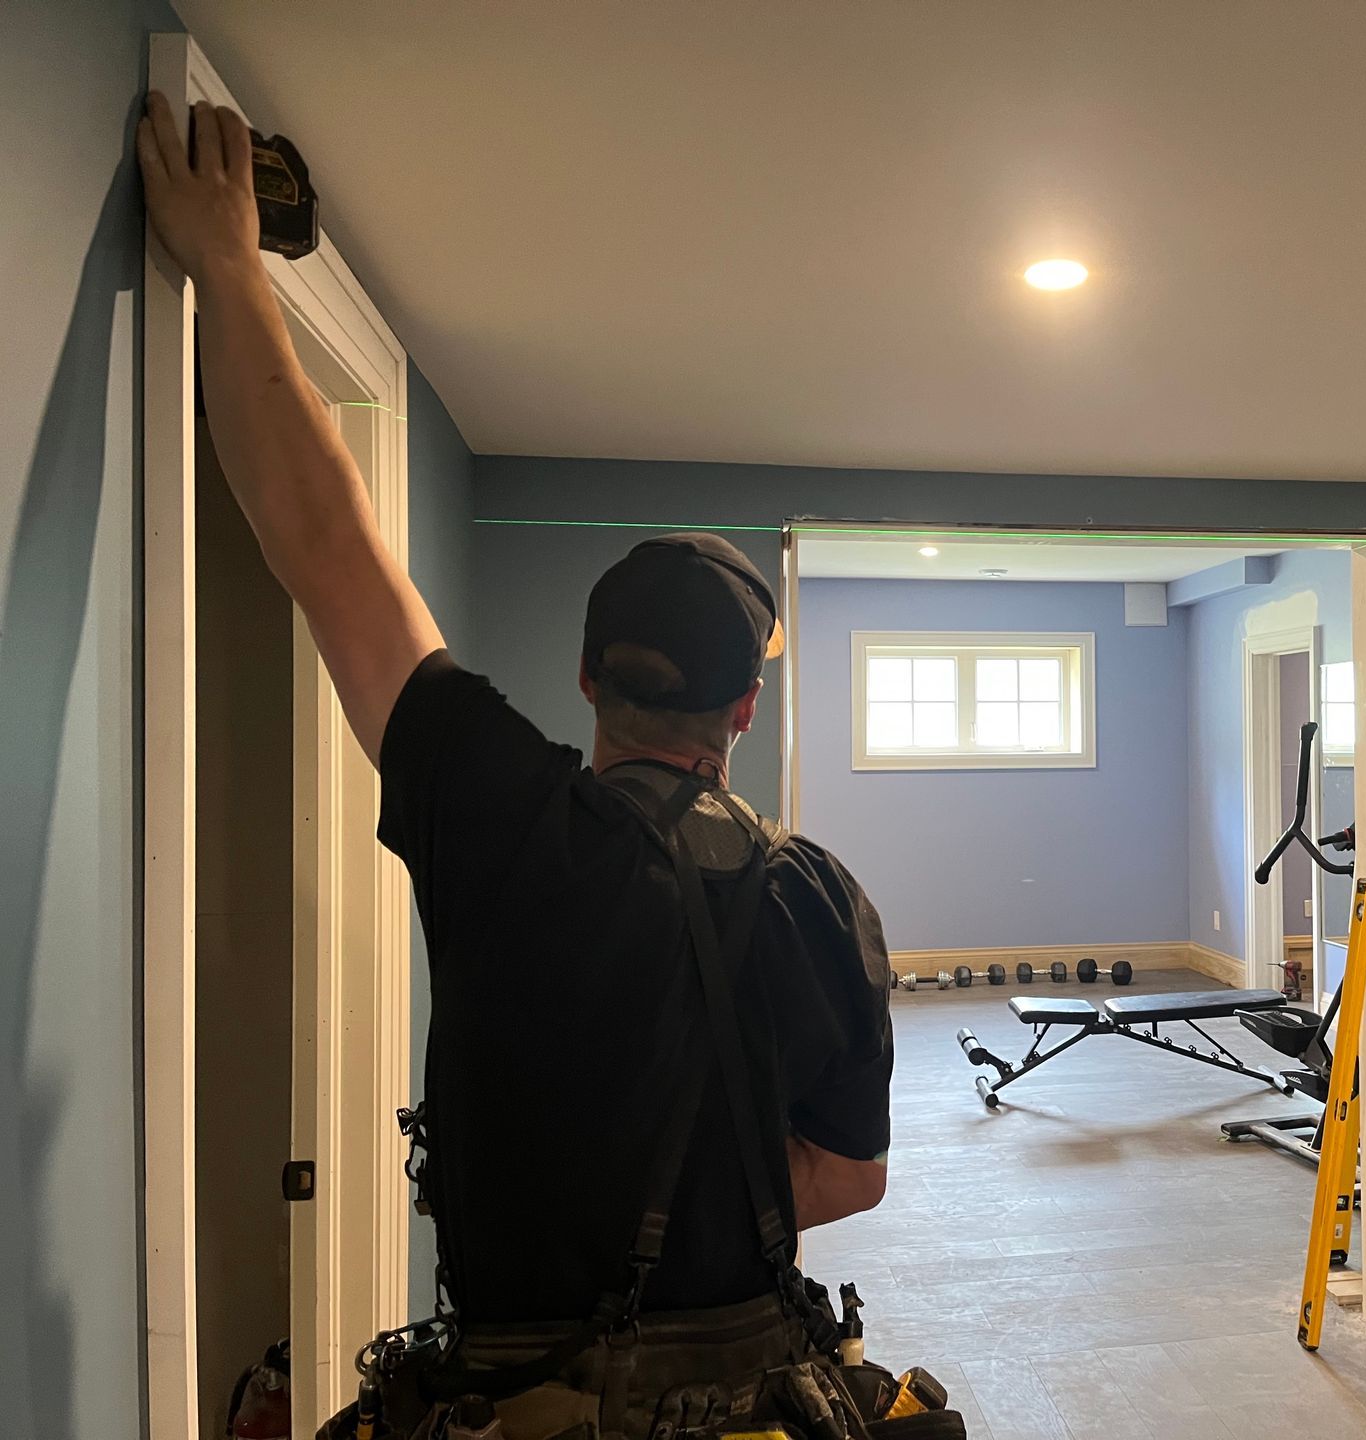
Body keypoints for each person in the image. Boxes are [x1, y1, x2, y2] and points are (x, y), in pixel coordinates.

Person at [138, 94, 918, 1437]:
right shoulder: (815, 895)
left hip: (514, 1397)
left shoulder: (494, 805)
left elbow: (329, 551)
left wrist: (223, 264)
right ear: (743, 711)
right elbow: (850, 1176)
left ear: (584, 678)